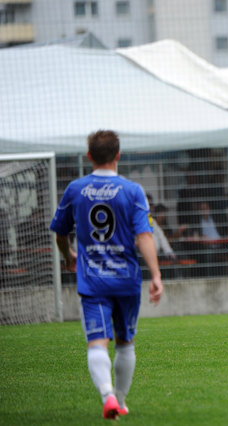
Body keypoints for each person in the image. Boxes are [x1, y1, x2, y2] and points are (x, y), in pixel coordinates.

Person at [49, 130, 163, 419]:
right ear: (118, 155)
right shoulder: (132, 191)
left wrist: (69, 256)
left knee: (97, 342)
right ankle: (121, 401)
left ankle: (107, 395)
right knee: (125, 342)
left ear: (89, 156)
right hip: (126, 278)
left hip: (93, 280)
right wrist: (156, 275)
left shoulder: (75, 189)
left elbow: (60, 233)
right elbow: (144, 236)